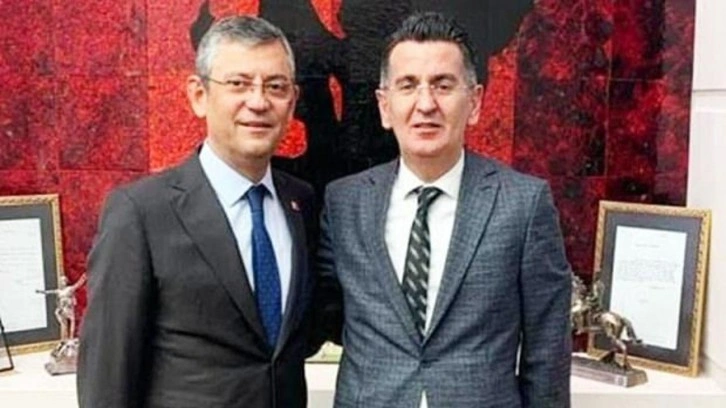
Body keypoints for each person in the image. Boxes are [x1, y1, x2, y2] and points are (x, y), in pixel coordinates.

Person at [317, 12, 572, 407]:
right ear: (384, 106)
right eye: (408, 85)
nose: (426, 104)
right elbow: (329, 314)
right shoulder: (345, 203)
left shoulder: (524, 203)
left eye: (443, 85)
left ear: (475, 102)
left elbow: (547, 351)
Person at [78, 15, 322, 408]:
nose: (258, 102)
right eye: (238, 84)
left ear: (292, 102)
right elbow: (108, 375)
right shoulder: (141, 213)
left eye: (275, 87)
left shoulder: (302, 203)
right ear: (198, 95)